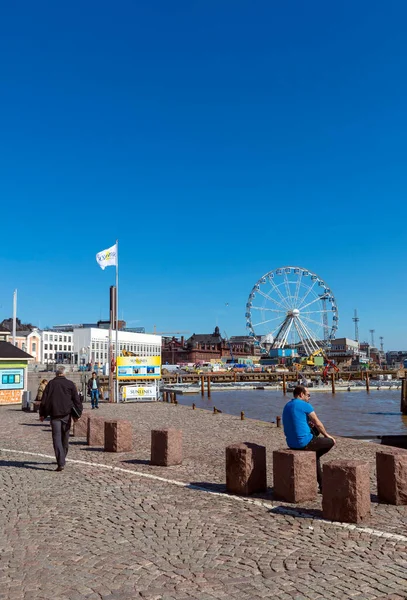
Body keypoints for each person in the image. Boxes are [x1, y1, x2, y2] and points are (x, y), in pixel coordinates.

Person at [282, 385, 335, 492]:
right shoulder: (305, 405)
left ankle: (322, 485)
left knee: (315, 437)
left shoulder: (287, 405)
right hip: (303, 442)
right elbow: (318, 423)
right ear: (301, 394)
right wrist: (327, 435)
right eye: (308, 395)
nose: (309, 397)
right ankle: (314, 458)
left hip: (291, 442)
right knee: (330, 442)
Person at [39, 366, 82, 472]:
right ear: (65, 373)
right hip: (66, 415)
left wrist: (42, 414)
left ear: (56, 373)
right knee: (65, 439)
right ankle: (62, 458)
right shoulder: (70, 384)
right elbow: (77, 401)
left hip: (54, 416)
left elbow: (44, 401)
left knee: (56, 439)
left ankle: (60, 461)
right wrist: (77, 415)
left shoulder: (50, 384)